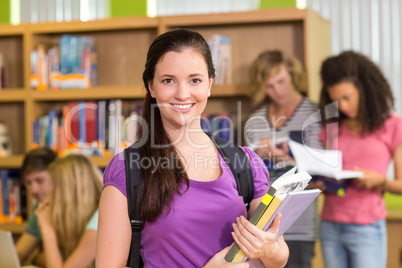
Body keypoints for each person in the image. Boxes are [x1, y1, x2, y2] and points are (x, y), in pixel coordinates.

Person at [96, 29, 289, 267]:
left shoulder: (244, 163)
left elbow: (278, 256)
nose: (182, 94)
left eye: (194, 80)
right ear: (151, 87)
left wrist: (270, 250)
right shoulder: (127, 171)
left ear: (209, 84)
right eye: (168, 80)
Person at [318, 50, 402, 268]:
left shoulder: (393, 125)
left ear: (365, 90)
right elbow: (325, 174)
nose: (343, 106)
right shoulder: (332, 128)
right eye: (336, 101)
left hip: (367, 228)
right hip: (330, 225)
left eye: (347, 97)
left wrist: (381, 182)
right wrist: (319, 181)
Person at [244, 50, 322, 268]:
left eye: (281, 81)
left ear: (293, 75)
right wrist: (256, 155)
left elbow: (322, 168)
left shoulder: (314, 113)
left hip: (300, 223)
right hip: (261, 221)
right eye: (269, 86)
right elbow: (244, 174)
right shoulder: (255, 120)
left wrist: (288, 157)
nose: (277, 91)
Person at [35, 154, 103, 268]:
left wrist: (47, 229)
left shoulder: (101, 218)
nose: (48, 191)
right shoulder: (79, 217)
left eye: (53, 185)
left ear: (72, 186)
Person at [16, 147, 57, 266]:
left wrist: (35, 257)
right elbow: (20, 252)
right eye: (28, 183)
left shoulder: (75, 208)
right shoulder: (40, 206)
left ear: (57, 176)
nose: (33, 190)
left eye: (39, 181)